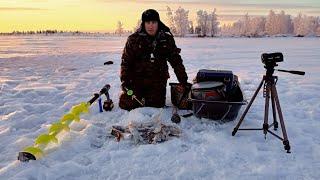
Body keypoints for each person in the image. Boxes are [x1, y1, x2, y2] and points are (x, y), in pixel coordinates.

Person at [119, 9, 188, 111]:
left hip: (157, 81)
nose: (151, 26)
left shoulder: (166, 39)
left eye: (154, 22)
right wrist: (125, 82)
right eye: (148, 22)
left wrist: (183, 81)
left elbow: (176, 61)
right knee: (127, 104)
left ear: (158, 23)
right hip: (137, 80)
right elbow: (126, 62)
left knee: (155, 106)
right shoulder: (133, 39)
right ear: (144, 23)